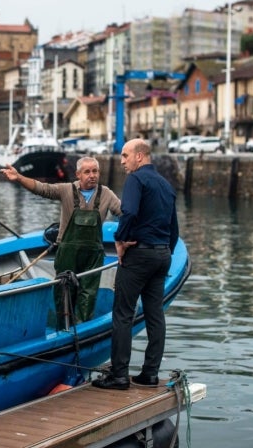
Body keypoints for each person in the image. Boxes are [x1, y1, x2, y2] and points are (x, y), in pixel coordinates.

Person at [92, 138, 178, 390]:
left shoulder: (136, 180)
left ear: (139, 156)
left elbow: (128, 212)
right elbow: (174, 227)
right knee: (155, 315)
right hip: (162, 255)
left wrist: (120, 240)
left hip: (139, 255)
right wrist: (166, 252)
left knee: (122, 314)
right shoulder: (166, 185)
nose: (121, 161)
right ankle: (150, 373)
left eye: (125, 155)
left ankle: (119, 375)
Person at [0, 157, 121, 328]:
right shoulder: (67, 190)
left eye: (95, 171)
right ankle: (63, 328)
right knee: (64, 290)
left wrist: (128, 238)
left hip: (92, 254)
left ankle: (81, 329)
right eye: (87, 172)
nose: (92, 175)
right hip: (67, 253)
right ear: (78, 174)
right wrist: (19, 177)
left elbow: (125, 213)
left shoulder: (107, 194)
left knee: (88, 294)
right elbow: (42, 189)